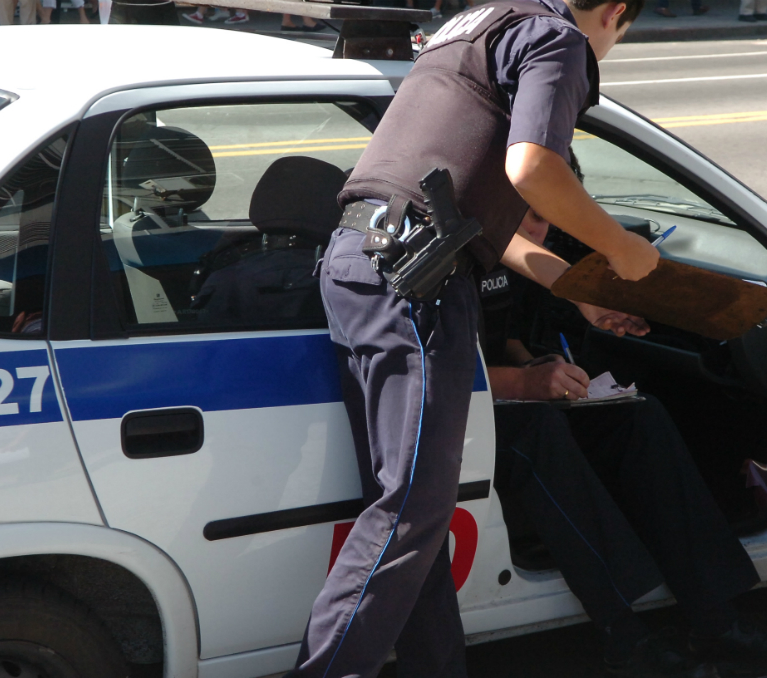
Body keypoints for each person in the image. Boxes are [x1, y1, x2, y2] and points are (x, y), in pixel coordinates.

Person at [294, 0, 662, 675]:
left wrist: (575, 290)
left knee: (416, 519)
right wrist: (619, 249)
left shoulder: (481, 20)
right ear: (613, 12)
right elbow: (532, 169)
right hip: (417, 278)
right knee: (410, 512)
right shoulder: (558, 38)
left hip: (359, 257)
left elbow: (470, 209)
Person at [481, 205, 767, 677]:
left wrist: (533, 367)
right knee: (540, 433)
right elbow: (425, 371)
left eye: (543, 217)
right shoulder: (443, 247)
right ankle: (624, 638)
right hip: (448, 416)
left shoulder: (517, 259)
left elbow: (503, 336)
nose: (530, 228)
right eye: (521, 214)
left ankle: (716, 622)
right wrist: (521, 386)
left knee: (638, 418)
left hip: (503, 392)